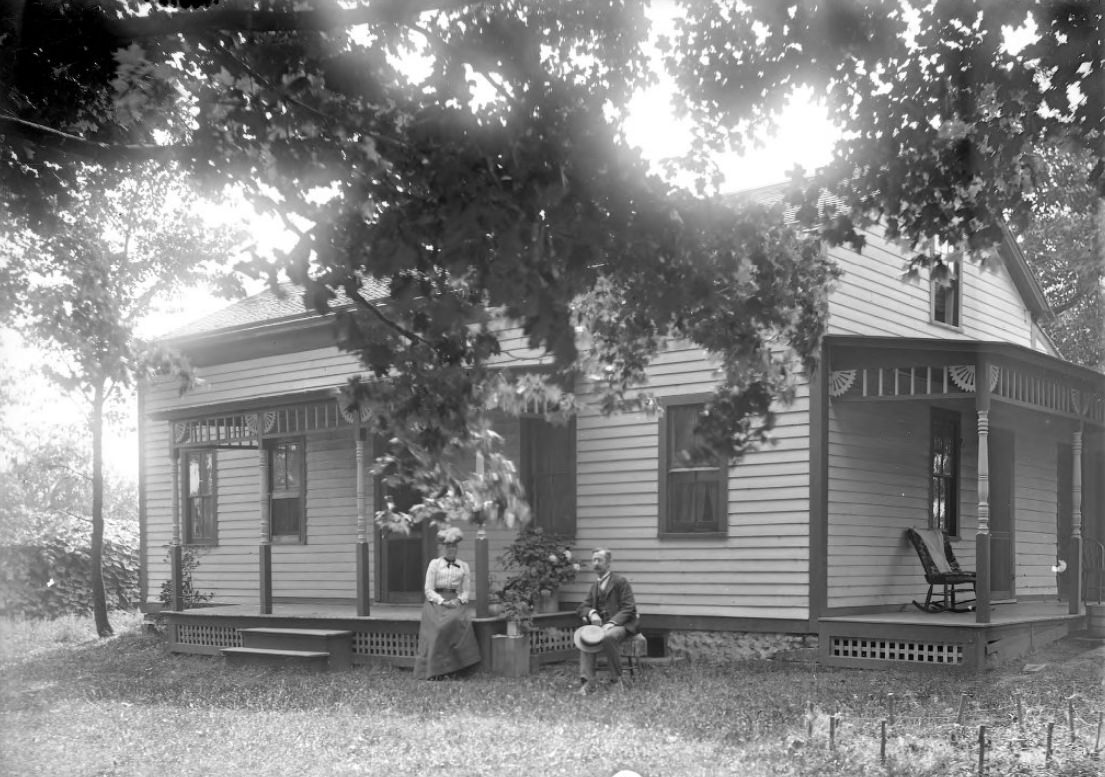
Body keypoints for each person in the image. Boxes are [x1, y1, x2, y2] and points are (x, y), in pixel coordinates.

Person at [412, 525, 482, 680]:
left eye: (454, 546)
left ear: (457, 548)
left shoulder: (463, 566)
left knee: (457, 621)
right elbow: (428, 589)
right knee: (439, 627)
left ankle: (455, 668)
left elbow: (465, 591)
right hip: (436, 601)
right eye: (448, 546)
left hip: (455, 601)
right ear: (443, 548)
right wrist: (442, 601)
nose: (451, 549)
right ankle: (435, 670)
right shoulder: (435, 564)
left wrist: (458, 600)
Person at [575, 547, 639, 694]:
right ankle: (588, 683)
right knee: (584, 637)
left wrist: (611, 623)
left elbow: (629, 608)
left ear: (608, 563)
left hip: (623, 624)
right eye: (594, 560)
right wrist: (592, 613)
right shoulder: (595, 585)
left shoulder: (620, 582)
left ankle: (616, 681)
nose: (596, 563)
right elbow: (583, 606)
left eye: (600, 560)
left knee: (609, 637)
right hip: (601, 625)